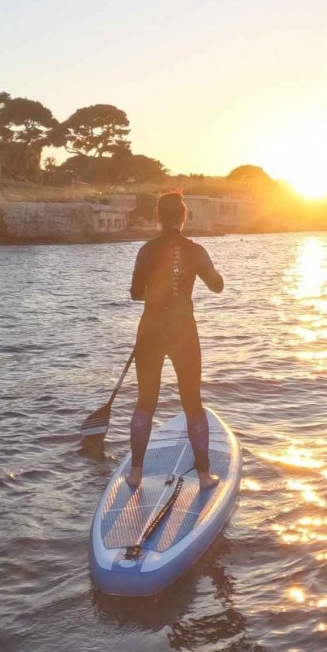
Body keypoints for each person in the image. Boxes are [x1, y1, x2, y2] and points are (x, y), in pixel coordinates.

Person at [126, 192, 225, 491]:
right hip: (182, 331)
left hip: (151, 331)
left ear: (158, 217)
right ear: (184, 216)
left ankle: (136, 473)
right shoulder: (195, 250)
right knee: (192, 402)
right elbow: (217, 286)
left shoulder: (146, 250)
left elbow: (134, 293)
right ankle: (205, 475)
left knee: (145, 402)